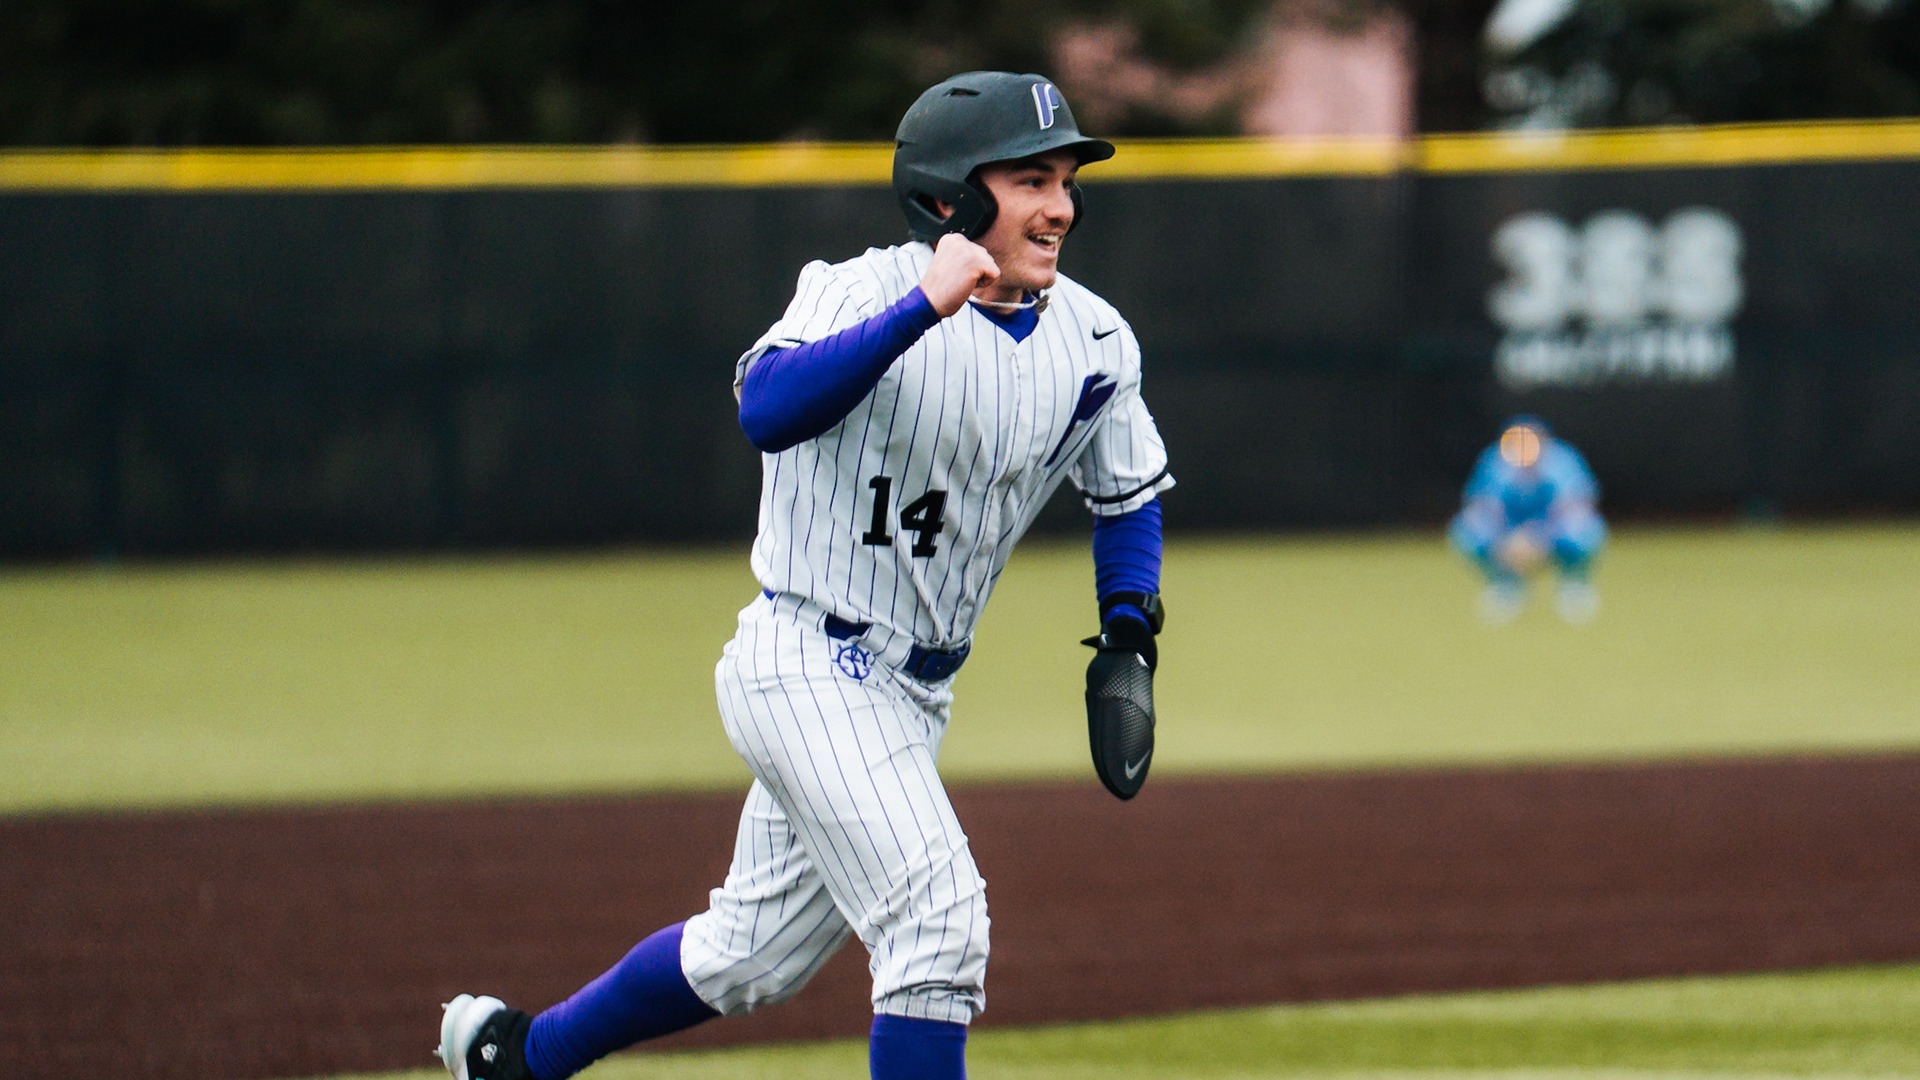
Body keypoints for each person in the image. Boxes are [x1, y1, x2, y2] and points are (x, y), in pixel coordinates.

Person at [434, 71, 1173, 1080]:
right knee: (938, 924)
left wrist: (1128, 631)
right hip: (805, 660)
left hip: (913, 692)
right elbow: (767, 410)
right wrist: (923, 307)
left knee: (750, 956)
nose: (1061, 207)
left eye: (1067, 181)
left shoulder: (1093, 338)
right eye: (1033, 179)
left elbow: (1127, 492)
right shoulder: (859, 289)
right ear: (953, 194)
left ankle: (514, 1056)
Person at [1447, 415, 1606, 624]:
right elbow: (1483, 504)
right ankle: (1505, 584)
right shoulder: (1495, 460)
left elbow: (1576, 504)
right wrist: (1509, 540)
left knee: (1586, 527)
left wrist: (1539, 536)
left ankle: (1573, 585)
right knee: (1467, 528)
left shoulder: (1562, 459)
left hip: (1552, 527)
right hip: (1508, 529)